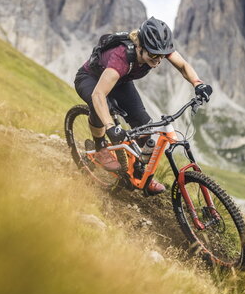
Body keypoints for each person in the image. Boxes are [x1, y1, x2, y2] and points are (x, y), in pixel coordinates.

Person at [74, 17, 212, 194]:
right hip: (90, 79)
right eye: (153, 55)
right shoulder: (121, 57)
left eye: (162, 55)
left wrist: (198, 83)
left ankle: (142, 175)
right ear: (139, 46)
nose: (158, 60)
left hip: (121, 81)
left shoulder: (157, 47)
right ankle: (100, 147)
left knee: (145, 128)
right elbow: (98, 94)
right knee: (102, 108)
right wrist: (110, 127)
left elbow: (183, 66)